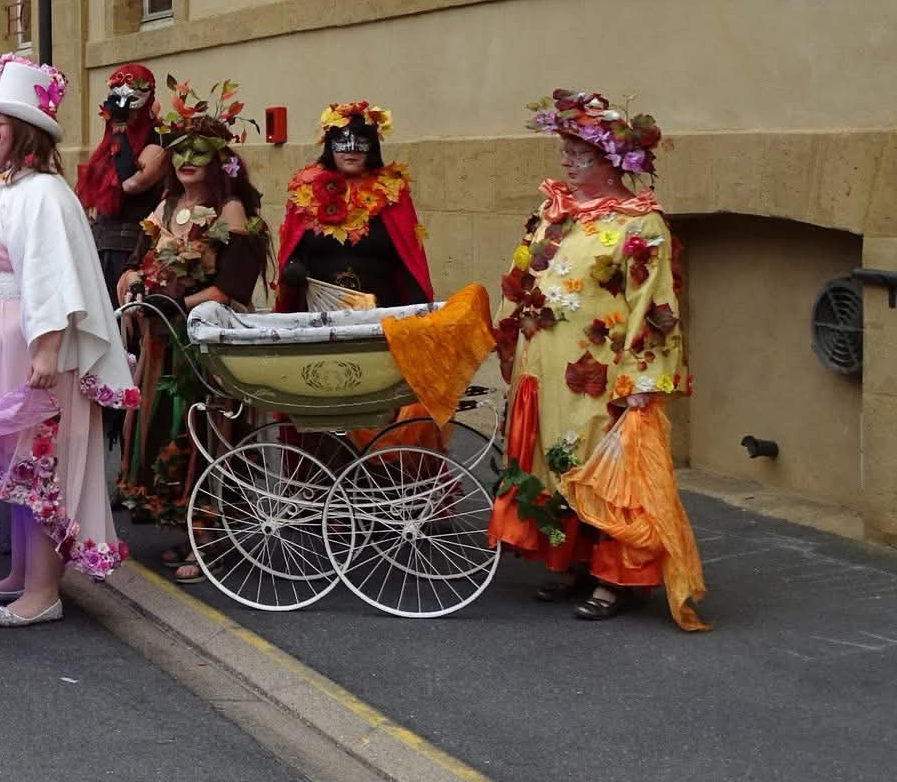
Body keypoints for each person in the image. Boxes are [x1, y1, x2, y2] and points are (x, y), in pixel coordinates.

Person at [486, 90, 706, 629]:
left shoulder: (641, 223)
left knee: (601, 468)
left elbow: (655, 305)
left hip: (601, 371)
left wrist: (644, 378)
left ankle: (616, 576)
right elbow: (526, 274)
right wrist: (509, 330)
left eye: (576, 154)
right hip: (546, 366)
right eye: (564, 151)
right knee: (553, 460)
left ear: (611, 162)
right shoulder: (552, 211)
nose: (564, 162)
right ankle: (574, 562)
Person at [0, 56, 135, 626]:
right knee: (13, 467)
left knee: (37, 466)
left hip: (28, 356)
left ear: (25, 133)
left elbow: (52, 279)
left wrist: (47, 350)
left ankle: (43, 591)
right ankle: (21, 575)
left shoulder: (45, 196)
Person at [114, 81, 269, 567]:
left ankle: (214, 538)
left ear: (218, 160)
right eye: (178, 151)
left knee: (205, 433)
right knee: (168, 435)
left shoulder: (231, 211)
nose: (185, 160)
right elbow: (138, 262)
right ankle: (190, 531)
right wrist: (135, 280)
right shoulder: (163, 209)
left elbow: (231, 287)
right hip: (162, 344)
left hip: (203, 351)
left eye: (197, 152)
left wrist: (176, 303)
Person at [275, 101, 433, 311]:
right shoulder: (306, 189)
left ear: (373, 147)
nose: (351, 150)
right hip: (317, 315)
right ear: (329, 146)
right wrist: (293, 267)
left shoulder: (392, 191)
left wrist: (418, 308)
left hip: (380, 313)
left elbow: (407, 258)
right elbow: (293, 246)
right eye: (342, 142)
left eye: (361, 142)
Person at [76, 64, 169, 301]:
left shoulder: (157, 137)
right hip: (100, 245)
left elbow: (131, 182)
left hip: (131, 250)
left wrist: (119, 130)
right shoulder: (113, 141)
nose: (125, 110)